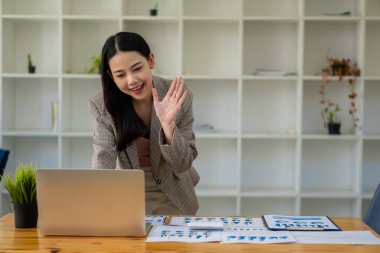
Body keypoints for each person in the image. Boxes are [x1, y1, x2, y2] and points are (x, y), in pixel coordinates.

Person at [88, 32, 200, 215]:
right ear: (111, 76)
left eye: (137, 68)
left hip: (175, 197)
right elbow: (103, 156)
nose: (132, 80)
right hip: (128, 200)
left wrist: (167, 124)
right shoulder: (103, 106)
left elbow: (183, 163)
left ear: (151, 61)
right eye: (120, 74)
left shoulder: (176, 95)